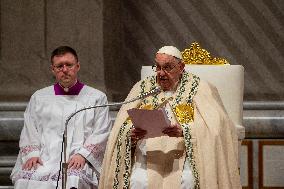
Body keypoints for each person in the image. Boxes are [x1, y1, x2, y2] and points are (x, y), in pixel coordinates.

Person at [99, 46, 241, 189]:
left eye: (167, 67)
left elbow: (217, 127)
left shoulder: (198, 88)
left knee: (187, 181)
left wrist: (184, 131)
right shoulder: (142, 88)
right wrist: (131, 135)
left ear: (181, 67)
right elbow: (121, 126)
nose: (161, 73)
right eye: (158, 67)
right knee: (138, 182)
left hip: (183, 155)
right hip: (147, 156)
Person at [11, 46, 112, 189]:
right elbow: (30, 129)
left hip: (76, 159)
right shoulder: (39, 97)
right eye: (59, 66)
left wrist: (83, 155)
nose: (65, 70)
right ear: (53, 70)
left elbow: (102, 131)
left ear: (77, 66)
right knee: (25, 180)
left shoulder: (96, 97)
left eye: (69, 65)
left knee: (73, 179)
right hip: (44, 158)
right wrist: (32, 154)